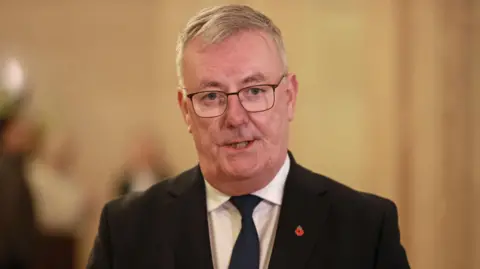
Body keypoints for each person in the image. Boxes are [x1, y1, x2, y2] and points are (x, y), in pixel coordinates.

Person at [87, 4, 410, 269]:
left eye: (255, 91)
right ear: (186, 110)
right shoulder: (128, 230)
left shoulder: (365, 230)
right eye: (211, 96)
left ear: (290, 97)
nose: (236, 117)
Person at [0, 115, 38, 269]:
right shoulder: (8, 173)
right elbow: (11, 219)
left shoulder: (20, 170)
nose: (26, 138)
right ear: (6, 136)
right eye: (19, 133)